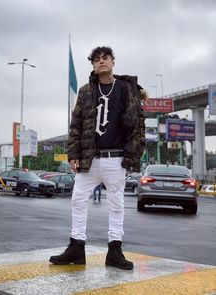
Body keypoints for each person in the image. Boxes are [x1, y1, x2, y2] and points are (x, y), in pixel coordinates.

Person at [49, 46, 146, 270]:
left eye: (105, 58)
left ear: (113, 61)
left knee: (116, 204)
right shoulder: (85, 91)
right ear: (92, 65)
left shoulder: (125, 89)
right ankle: (76, 247)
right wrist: (73, 154)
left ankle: (114, 250)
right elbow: (77, 125)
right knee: (78, 200)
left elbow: (138, 125)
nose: (101, 61)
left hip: (116, 159)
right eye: (96, 59)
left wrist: (133, 155)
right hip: (90, 158)